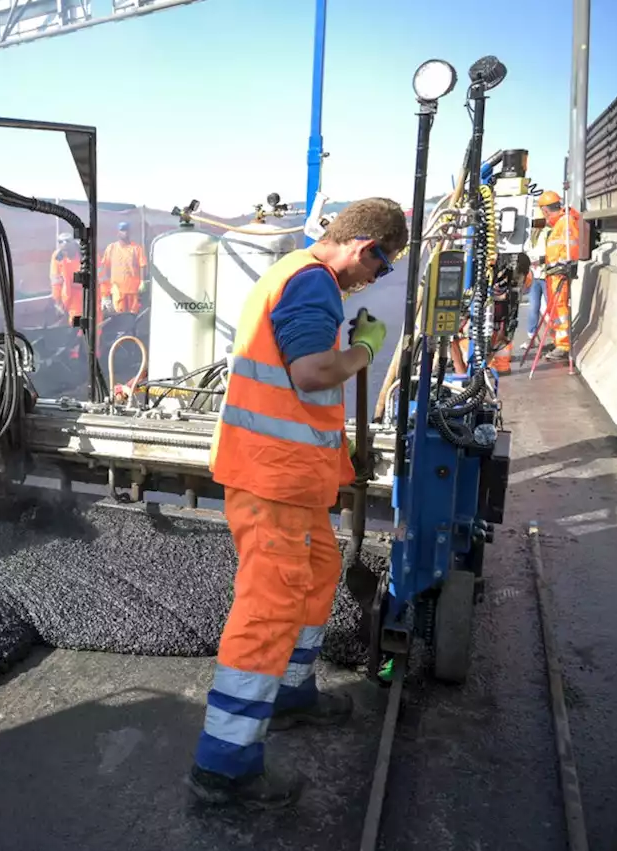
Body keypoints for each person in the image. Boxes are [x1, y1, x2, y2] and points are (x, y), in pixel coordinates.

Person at [188, 197, 406, 809]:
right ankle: (224, 765)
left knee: (318, 575)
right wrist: (365, 349)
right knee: (268, 609)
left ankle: (289, 692)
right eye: (382, 267)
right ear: (366, 248)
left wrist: (338, 458)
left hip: (295, 479)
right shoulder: (312, 286)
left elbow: (293, 395)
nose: (375, 279)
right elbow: (311, 374)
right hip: (271, 481)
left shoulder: (296, 276)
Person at [536, 190, 581, 362]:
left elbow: (570, 248)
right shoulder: (560, 224)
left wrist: (562, 266)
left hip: (560, 274)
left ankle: (563, 345)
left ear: (545, 210)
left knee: (560, 308)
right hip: (554, 273)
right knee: (555, 308)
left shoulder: (566, 222)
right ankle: (558, 341)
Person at [99, 222, 147, 315]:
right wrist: (105, 293)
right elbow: (104, 268)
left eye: (126, 230)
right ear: (118, 232)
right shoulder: (111, 248)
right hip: (117, 289)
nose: (125, 233)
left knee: (133, 315)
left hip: (133, 289)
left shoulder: (136, 248)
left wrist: (142, 281)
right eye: (122, 230)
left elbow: (142, 265)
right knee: (120, 316)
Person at [521, 223, 549, 351]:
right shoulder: (529, 236)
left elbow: (553, 253)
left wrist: (541, 261)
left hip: (547, 275)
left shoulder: (548, 232)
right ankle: (531, 337)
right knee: (533, 308)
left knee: (551, 307)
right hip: (534, 276)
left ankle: (558, 339)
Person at [49, 232, 84, 326]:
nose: (66, 253)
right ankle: (77, 337)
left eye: (68, 250)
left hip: (85, 294)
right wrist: (57, 301)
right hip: (68, 295)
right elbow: (56, 281)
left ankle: (82, 338)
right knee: (75, 324)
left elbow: (100, 276)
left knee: (79, 323)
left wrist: (105, 296)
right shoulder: (58, 256)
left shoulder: (84, 254)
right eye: (64, 251)